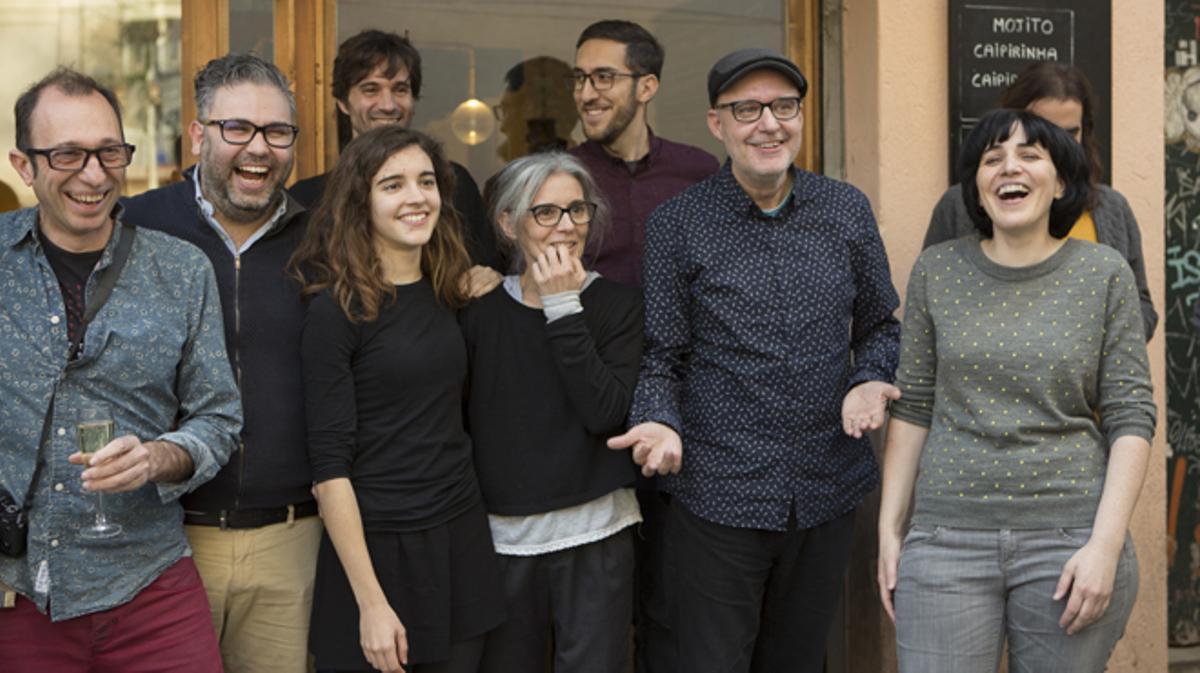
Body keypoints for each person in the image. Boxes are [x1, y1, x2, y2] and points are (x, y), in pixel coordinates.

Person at [609, 48, 901, 673]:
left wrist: (869, 377)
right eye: (747, 109)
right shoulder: (677, 225)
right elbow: (664, 354)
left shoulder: (845, 209)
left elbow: (881, 326)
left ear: (800, 117)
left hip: (826, 487)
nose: (768, 124)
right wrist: (660, 418)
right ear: (718, 124)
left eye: (783, 107)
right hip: (719, 493)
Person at [877, 108, 1156, 672]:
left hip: (1071, 539)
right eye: (992, 158)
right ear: (977, 190)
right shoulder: (937, 271)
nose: (1011, 167)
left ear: (1061, 183)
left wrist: (1104, 546)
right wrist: (889, 531)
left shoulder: (1103, 274)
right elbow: (914, 406)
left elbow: (1131, 415)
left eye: (1031, 156)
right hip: (946, 538)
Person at [0, 67, 242, 672]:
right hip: (18, 595)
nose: (94, 173)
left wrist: (161, 457)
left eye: (109, 151)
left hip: (151, 590)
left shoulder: (182, 271)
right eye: (68, 154)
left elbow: (219, 416)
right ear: (23, 166)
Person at [121, 53, 318, 673]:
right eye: (238, 129)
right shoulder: (135, 227)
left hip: (294, 539)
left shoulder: (325, 238)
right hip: (162, 540)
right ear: (199, 134)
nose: (259, 149)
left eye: (277, 132)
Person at [294, 125, 506, 673]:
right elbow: (329, 470)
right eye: (393, 185)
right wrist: (370, 602)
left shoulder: (451, 291)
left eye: (426, 181)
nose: (416, 197)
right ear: (360, 203)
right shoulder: (336, 312)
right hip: (378, 552)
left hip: (460, 540)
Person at [461, 152, 643, 673]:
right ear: (507, 222)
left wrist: (564, 308)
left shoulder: (619, 308)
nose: (566, 226)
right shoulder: (478, 313)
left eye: (577, 211)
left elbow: (606, 413)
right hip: (503, 543)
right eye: (546, 213)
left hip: (597, 536)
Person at [923, 61, 1156, 340]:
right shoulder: (958, 206)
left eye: (1070, 134)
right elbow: (931, 303)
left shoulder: (1112, 209)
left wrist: (1090, 342)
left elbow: (1141, 306)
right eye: (1042, 130)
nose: (1057, 144)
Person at [290, 29, 501, 271]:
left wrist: (489, 278)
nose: (388, 105)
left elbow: (486, 271)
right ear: (343, 103)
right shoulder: (306, 198)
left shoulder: (454, 184)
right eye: (371, 89)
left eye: (400, 89)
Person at [570, 19, 719, 287]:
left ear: (647, 87)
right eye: (580, 78)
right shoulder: (562, 177)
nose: (586, 94)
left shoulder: (700, 171)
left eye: (604, 78)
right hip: (586, 329)